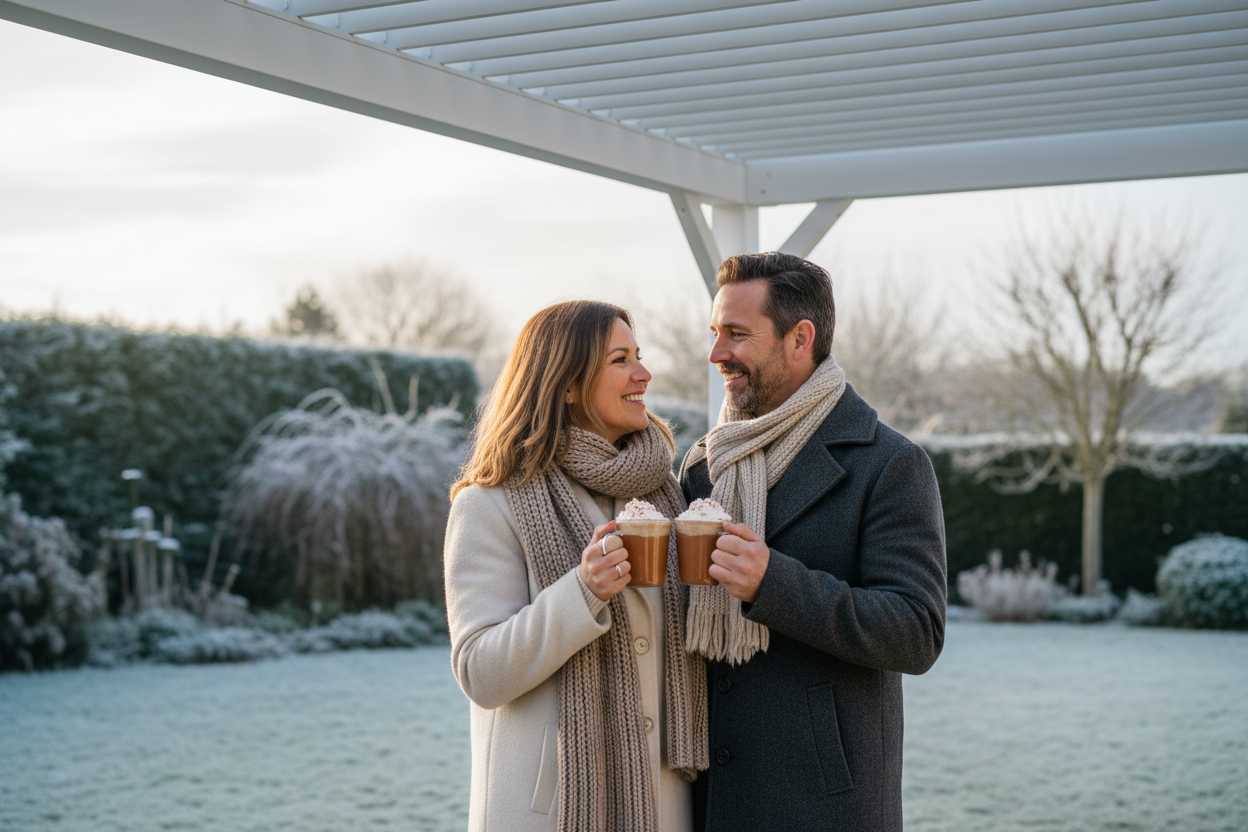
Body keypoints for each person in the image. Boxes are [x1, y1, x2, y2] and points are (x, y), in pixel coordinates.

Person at [679, 253, 947, 832]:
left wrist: (771, 582)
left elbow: (916, 632)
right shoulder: (705, 465)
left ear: (801, 338)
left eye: (736, 334)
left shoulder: (891, 464)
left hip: (824, 804)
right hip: (709, 797)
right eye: (715, 333)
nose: (716, 353)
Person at [445, 300, 709, 832]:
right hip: (553, 809)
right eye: (619, 360)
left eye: (639, 356)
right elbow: (481, 671)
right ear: (566, 385)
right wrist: (582, 591)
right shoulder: (490, 503)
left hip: (666, 807)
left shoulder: (668, 495)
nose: (644, 373)